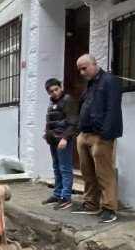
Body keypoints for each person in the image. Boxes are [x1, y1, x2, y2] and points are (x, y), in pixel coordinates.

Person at [73, 54, 123, 223]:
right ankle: (90, 203)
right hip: (84, 135)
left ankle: (109, 208)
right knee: (87, 173)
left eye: (84, 68)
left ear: (95, 64)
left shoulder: (110, 81)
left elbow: (113, 109)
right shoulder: (91, 84)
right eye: (79, 69)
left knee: (104, 173)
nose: (81, 72)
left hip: (100, 136)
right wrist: (79, 132)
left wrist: (105, 134)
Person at [40, 78, 78, 209]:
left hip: (62, 140)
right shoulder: (52, 103)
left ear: (61, 87)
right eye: (51, 91)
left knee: (65, 168)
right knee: (56, 168)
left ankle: (65, 197)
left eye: (56, 89)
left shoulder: (68, 100)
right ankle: (57, 194)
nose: (55, 93)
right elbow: (50, 119)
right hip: (53, 140)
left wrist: (65, 138)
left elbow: (73, 121)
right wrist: (46, 131)